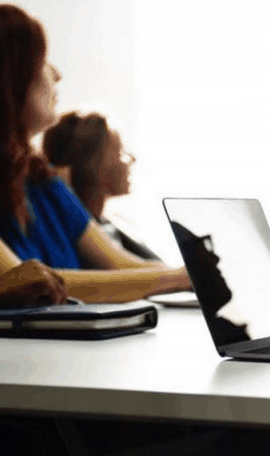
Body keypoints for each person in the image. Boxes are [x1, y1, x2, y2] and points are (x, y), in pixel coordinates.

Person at [0, 5, 189, 302]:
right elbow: (34, 283)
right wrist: (178, 277)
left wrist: (187, 275)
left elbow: (122, 266)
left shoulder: (44, 184)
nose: (57, 74)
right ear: (11, 77)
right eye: (42, 61)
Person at [42, 111, 161, 261]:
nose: (132, 159)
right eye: (121, 151)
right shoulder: (77, 238)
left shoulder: (113, 223)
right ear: (91, 164)